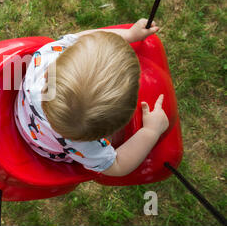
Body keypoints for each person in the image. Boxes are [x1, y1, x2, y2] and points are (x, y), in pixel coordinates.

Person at [14, 19, 169, 176]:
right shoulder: (84, 146)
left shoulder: (46, 58)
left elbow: (79, 39)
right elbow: (117, 166)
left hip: (22, 114)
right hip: (45, 149)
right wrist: (151, 131)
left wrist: (129, 35)